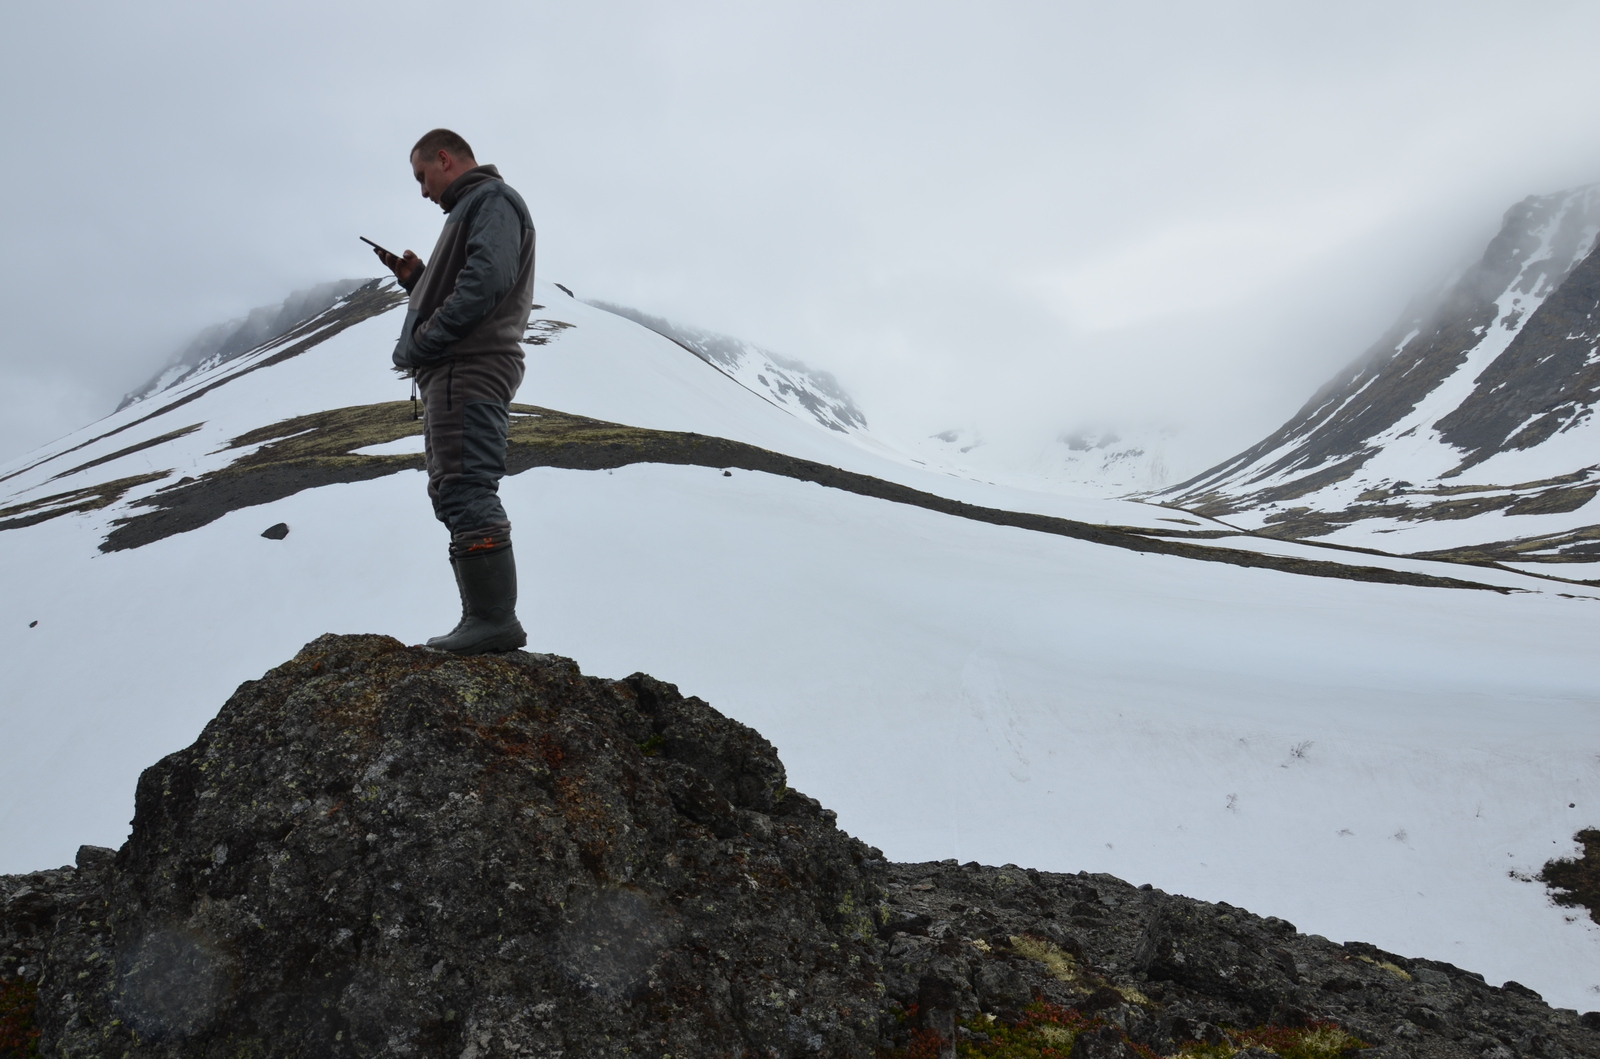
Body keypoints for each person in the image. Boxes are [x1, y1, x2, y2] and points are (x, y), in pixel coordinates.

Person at [371, 128, 537, 654]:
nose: (422, 191)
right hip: (462, 368)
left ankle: (492, 620)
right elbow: (475, 276)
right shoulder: (479, 206)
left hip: (468, 367)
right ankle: (483, 618)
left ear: (444, 159)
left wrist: (424, 339)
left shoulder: (490, 200)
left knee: (465, 486)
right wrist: (418, 279)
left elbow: (488, 279)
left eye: (422, 176)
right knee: (454, 487)